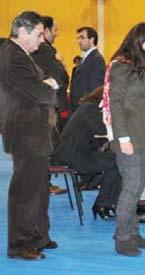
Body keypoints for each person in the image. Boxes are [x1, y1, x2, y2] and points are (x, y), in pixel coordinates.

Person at [0, 11, 59, 260]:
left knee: (39, 188)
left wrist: (46, 86)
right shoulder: (13, 57)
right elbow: (40, 92)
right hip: (26, 133)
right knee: (25, 192)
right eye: (39, 34)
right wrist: (50, 87)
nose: (42, 40)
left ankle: (37, 236)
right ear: (23, 31)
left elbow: (37, 88)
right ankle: (20, 245)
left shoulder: (19, 55)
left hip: (33, 133)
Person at [101, 22, 145, 256]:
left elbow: (140, 106)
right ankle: (123, 238)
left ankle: (133, 233)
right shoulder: (121, 67)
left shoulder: (138, 67)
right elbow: (115, 105)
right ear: (137, 43)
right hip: (127, 138)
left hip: (139, 136)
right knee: (132, 187)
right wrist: (122, 137)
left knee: (135, 187)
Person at [52, 87, 121, 221]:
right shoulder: (90, 109)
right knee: (117, 163)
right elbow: (101, 129)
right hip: (75, 156)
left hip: (76, 152)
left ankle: (106, 203)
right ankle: (102, 204)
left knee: (117, 161)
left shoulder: (88, 107)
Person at [30, 15, 70, 195]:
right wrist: (60, 62)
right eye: (55, 30)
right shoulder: (45, 51)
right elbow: (59, 76)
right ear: (45, 31)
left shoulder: (36, 50)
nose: (57, 34)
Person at [69, 26, 105, 113]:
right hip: (79, 108)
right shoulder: (86, 58)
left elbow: (96, 88)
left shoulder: (96, 59)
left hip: (86, 109)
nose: (79, 41)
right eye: (78, 38)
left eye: (82, 38)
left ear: (92, 39)